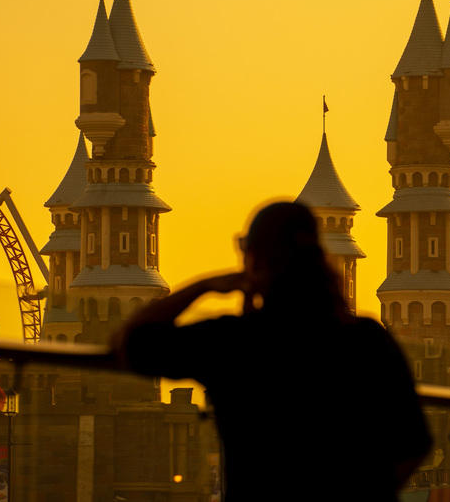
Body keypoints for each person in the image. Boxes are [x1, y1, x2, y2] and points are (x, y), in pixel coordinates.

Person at [113, 202, 430, 500]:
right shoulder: (367, 340)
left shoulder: (236, 342)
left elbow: (132, 340)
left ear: (256, 260)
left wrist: (206, 285)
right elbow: (413, 445)